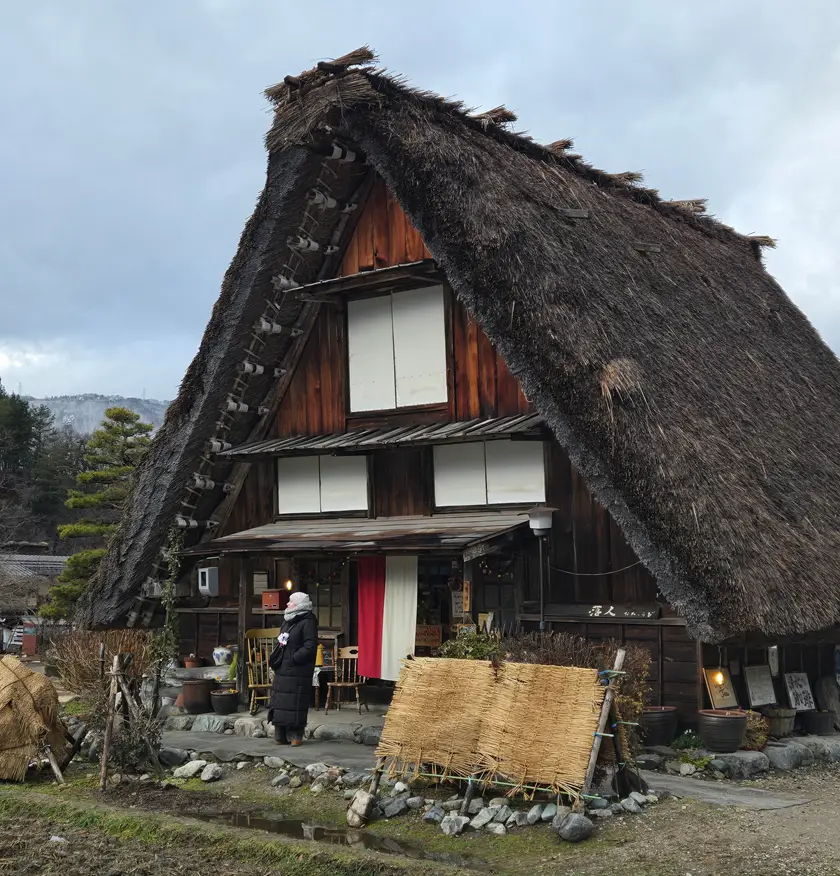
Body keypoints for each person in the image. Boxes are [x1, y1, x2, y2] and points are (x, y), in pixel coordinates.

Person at [268, 591, 318, 746]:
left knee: (295, 702)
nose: (288, 604)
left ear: (299, 605)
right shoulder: (288, 620)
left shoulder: (308, 621)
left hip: (298, 669)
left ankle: (296, 737)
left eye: (291, 602)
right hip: (283, 668)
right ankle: (280, 736)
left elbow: (310, 646)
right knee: (280, 701)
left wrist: (294, 658)